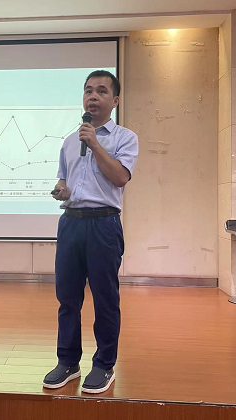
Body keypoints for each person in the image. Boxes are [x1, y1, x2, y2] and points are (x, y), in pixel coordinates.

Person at [42, 70, 139, 394]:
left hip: (103, 224)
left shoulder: (125, 138)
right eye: (88, 91)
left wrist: (95, 144)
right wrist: (62, 189)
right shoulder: (70, 141)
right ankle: (68, 361)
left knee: (105, 299)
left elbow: (120, 178)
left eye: (101, 91)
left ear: (115, 100)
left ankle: (104, 365)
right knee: (67, 298)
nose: (92, 96)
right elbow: (64, 180)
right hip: (71, 222)